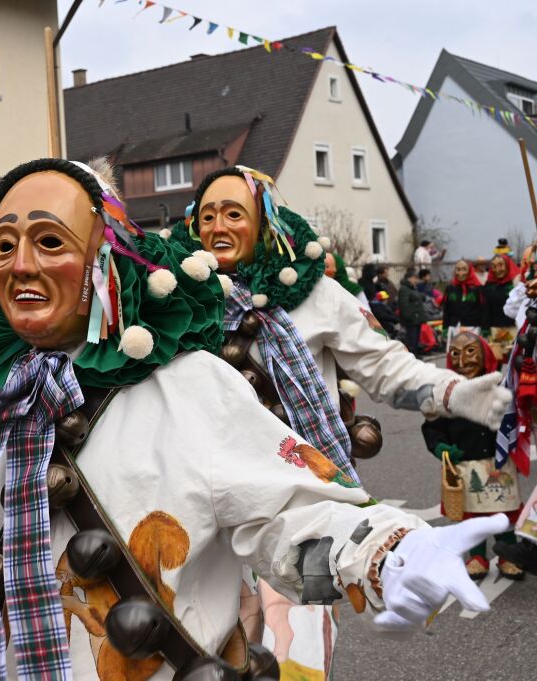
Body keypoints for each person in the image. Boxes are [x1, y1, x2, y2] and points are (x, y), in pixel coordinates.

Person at [0, 158, 509, 680]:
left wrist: (391, 553)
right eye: (5, 245)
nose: (22, 264)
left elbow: (298, 516)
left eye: (51, 241)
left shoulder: (190, 388)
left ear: (104, 261)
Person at [182, 165, 511, 678]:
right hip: (204, 510)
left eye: (233, 213)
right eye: (207, 215)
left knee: (297, 655)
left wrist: (453, 391)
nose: (217, 225)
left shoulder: (317, 294)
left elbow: (384, 365)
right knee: (208, 654)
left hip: (296, 502)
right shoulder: (178, 303)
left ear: (267, 222)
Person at [422, 331, 524, 580]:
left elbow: (518, 417)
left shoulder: (500, 387)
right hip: (465, 464)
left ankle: (508, 553)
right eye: (455, 354)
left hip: (498, 461)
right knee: (473, 516)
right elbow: (432, 428)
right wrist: (441, 447)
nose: (462, 361)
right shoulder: (446, 394)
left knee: (505, 512)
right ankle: (477, 556)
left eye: (470, 352)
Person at [444, 259, 487, 333]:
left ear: (470, 271)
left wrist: (485, 328)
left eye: (464, 269)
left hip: (473, 328)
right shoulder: (450, 288)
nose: (461, 273)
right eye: (458, 269)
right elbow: (446, 309)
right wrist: (444, 328)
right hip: (454, 327)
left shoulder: (478, 289)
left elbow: (483, 310)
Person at [399, 269, 428, 357]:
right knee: (411, 340)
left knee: (415, 339)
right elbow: (404, 305)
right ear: (409, 278)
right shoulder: (404, 289)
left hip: (416, 319)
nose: (416, 281)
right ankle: (411, 356)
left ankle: (414, 355)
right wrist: (410, 316)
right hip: (411, 320)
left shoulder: (412, 288)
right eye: (415, 278)